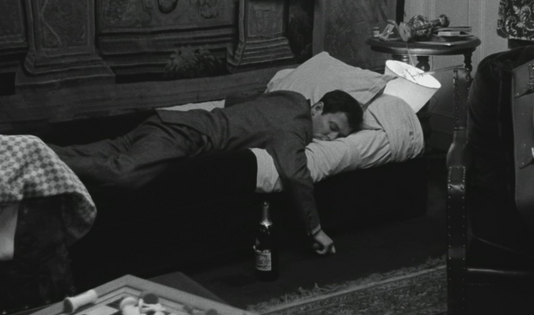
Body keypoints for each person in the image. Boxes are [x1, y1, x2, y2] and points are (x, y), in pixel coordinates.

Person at [50, 89, 364, 256]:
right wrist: (315, 229)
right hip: (184, 134)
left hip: (169, 121)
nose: (330, 138)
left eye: (339, 136)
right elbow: (294, 173)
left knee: (102, 151)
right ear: (317, 108)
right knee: (125, 174)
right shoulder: (297, 125)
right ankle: (44, 162)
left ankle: (36, 150)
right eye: (332, 127)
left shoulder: (289, 96)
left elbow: (238, 101)